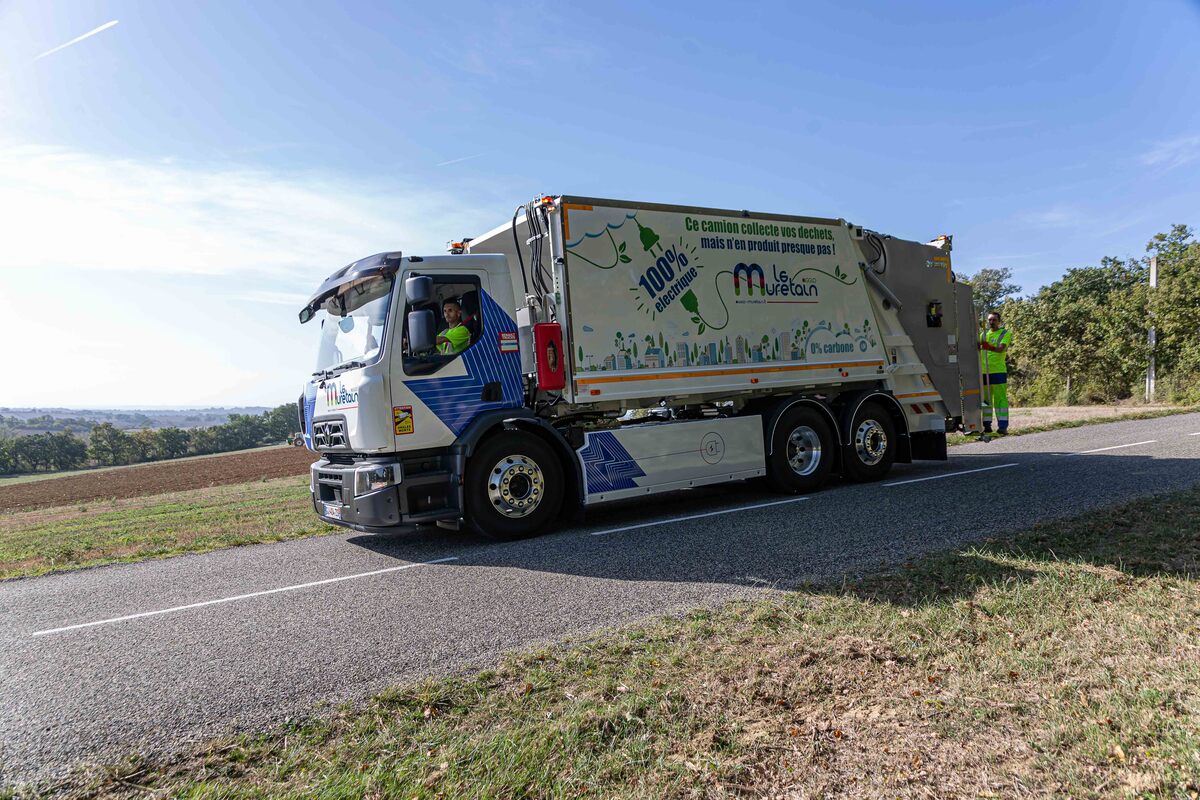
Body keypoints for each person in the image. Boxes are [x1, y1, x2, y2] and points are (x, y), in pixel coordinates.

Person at [978, 311, 1012, 434]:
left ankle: (1002, 426)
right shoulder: (983, 334)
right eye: (990, 320)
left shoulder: (1004, 333)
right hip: (984, 372)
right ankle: (986, 425)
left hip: (998, 371)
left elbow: (1001, 348)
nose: (991, 322)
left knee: (1000, 400)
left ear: (999, 321)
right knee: (985, 400)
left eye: (994, 320)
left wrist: (989, 347)